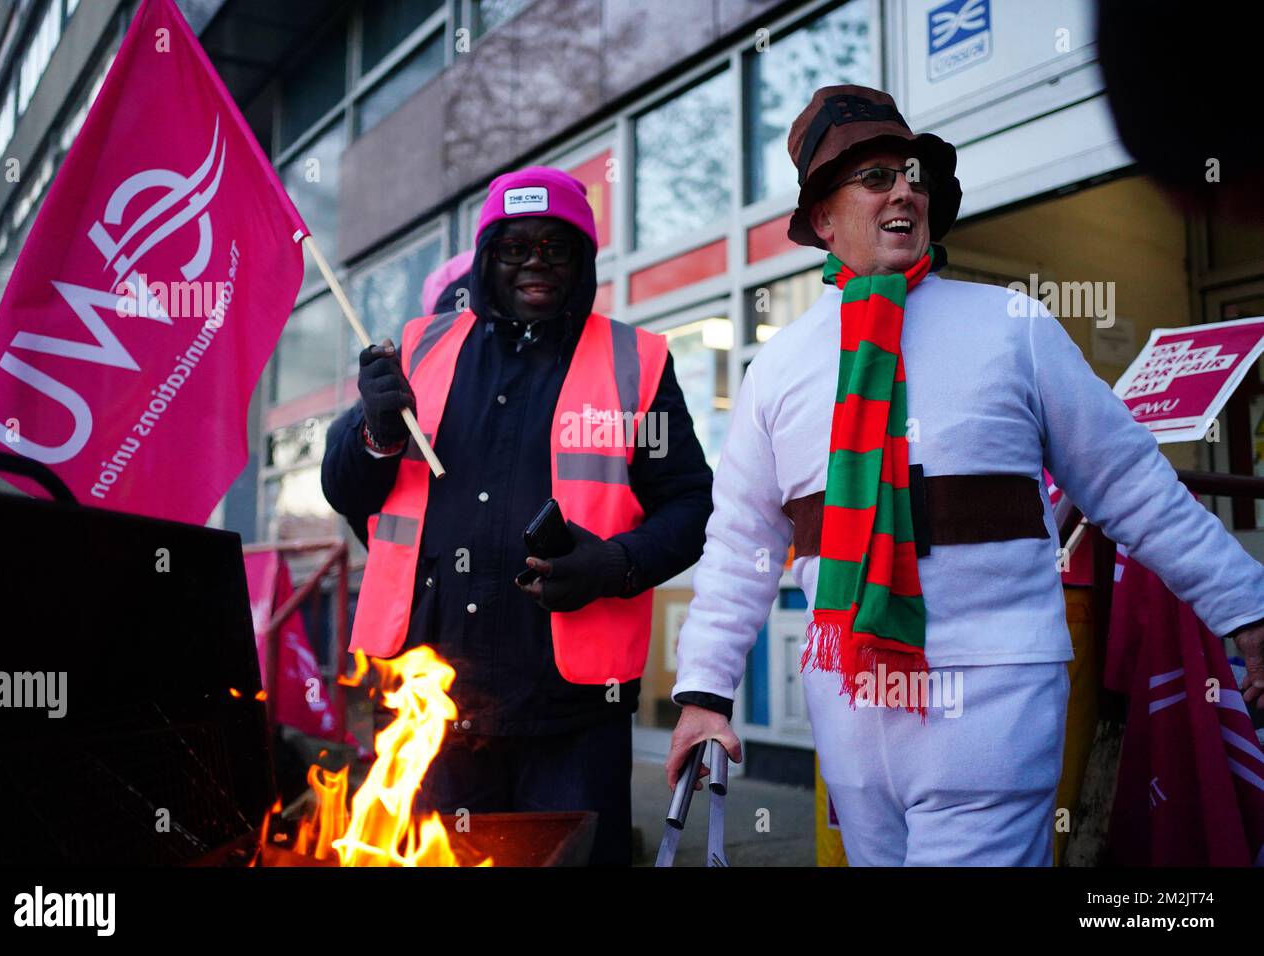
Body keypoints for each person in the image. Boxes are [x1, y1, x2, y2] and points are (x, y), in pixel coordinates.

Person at [665, 85, 1264, 866]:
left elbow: (1133, 487)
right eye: (876, 178)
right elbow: (740, 539)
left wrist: (1245, 609)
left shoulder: (1012, 326)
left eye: (912, 173)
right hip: (848, 702)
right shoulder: (776, 366)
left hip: (995, 690)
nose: (904, 189)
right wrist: (704, 694)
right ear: (824, 218)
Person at [321, 166, 713, 866]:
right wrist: (374, 433)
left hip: (573, 716)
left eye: (556, 247)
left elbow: (689, 504)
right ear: (486, 260)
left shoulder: (637, 361)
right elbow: (348, 491)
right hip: (430, 704)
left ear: (583, 261)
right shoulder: (420, 348)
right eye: (515, 247)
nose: (536, 261)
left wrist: (614, 566)